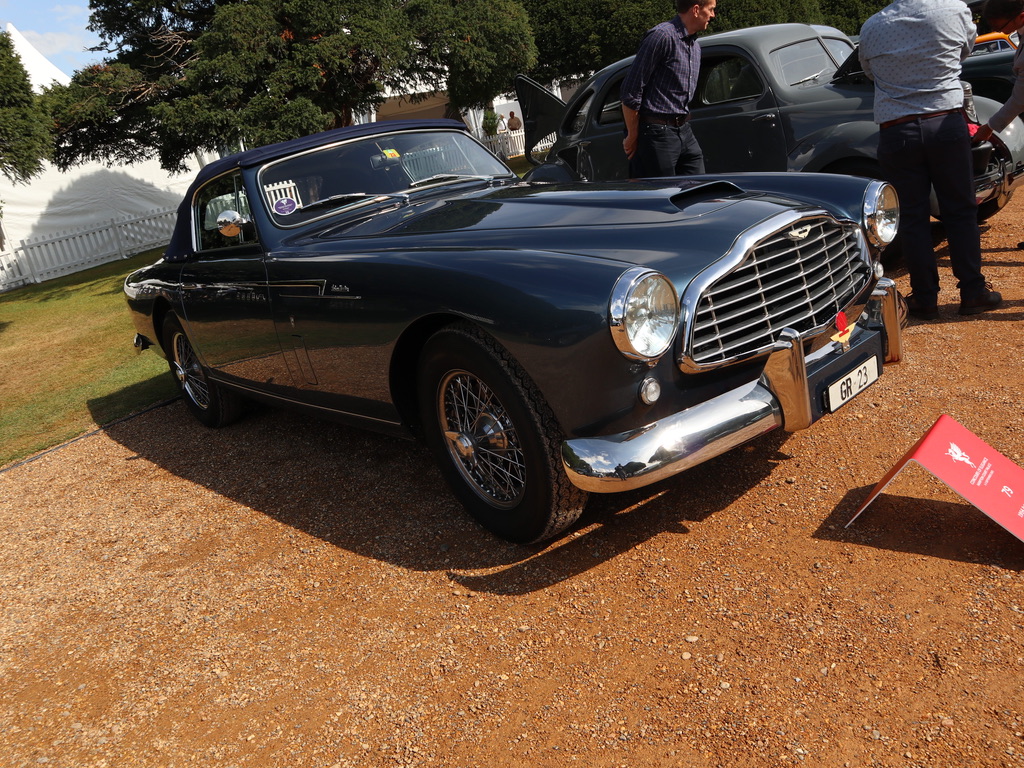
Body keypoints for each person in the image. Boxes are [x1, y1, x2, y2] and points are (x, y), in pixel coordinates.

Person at [859, 0, 1002, 320]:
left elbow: (870, 72)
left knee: (912, 217)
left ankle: (925, 297)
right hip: (945, 124)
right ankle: (973, 292)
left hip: (897, 131)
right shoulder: (954, 10)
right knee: (961, 210)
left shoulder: (872, 26)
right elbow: (963, 51)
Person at [619, 0, 716, 178]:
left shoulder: (694, 46)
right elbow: (631, 91)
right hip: (656, 133)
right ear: (696, 10)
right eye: (710, 9)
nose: (713, 15)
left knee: (700, 190)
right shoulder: (661, 36)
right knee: (664, 197)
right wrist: (633, 135)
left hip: (685, 130)